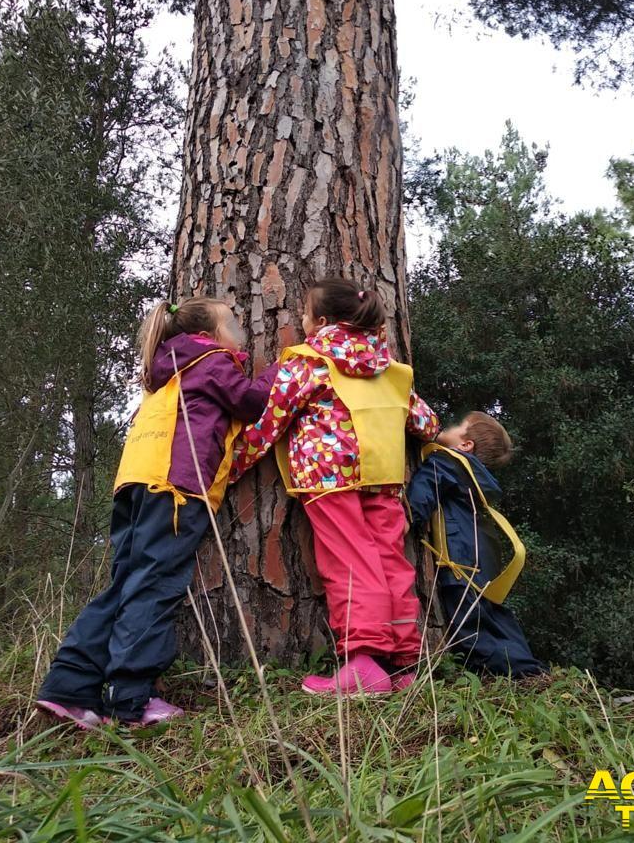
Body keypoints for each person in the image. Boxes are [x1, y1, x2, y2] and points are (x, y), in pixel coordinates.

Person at [36, 297, 277, 729]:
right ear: (210, 332)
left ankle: (70, 688)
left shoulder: (169, 364)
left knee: (125, 584)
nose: (240, 327)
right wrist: (284, 370)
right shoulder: (211, 357)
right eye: (232, 320)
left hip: (136, 481)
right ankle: (129, 700)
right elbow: (251, 401)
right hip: (175, 484)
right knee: (154, 587)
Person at [232, 278, 439, 695]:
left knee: (350, 561)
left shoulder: (308, 362)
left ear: (321, 322)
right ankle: (404, 662)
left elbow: (270, 422)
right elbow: (426, 423)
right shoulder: (392, 370)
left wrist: (231, 465)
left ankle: (363, 663)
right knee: (390, 561)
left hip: (329, 478)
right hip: (383, 477)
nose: (302, 320)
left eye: (305, 313)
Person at [406, 412, 547, 679]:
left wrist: (404, 519)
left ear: (466, 444)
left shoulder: (447, 462)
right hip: (480, 561)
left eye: (458, 425)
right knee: (493, 617)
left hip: (460, 560)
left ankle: (522, 674)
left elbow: (422, 494)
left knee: (470, 632)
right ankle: (532, 669)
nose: (450, 425)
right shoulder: (472, 476)